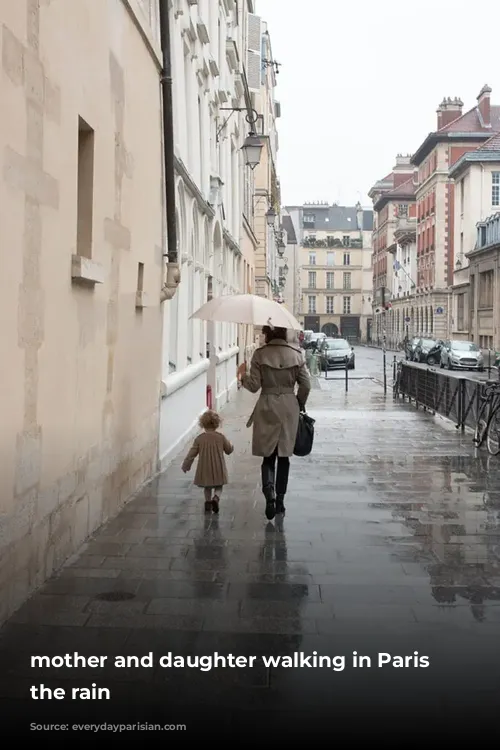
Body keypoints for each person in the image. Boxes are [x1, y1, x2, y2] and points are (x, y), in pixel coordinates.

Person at [237, 325, 311, 520]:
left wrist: (242, 375)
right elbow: (306, 384)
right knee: (284, 456)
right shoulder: (297, 354)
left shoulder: (260, 354)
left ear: (268, 334)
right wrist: (299, 402)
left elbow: (253, 387)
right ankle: (280, 501)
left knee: (268, 455)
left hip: (267, 405)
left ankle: (268, 494)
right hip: (289, 407)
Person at [181, 410, 234, 514]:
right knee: (219, 485)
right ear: (217, 423)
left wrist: (186, 465)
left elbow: (191, 454)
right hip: (218, 467)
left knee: (207, 487)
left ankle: (208, 503)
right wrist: (232, 447)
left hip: (205, 468)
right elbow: (228, 450)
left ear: (203, 424)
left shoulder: (199, 439)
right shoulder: (221, 437)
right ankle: (216, 498)